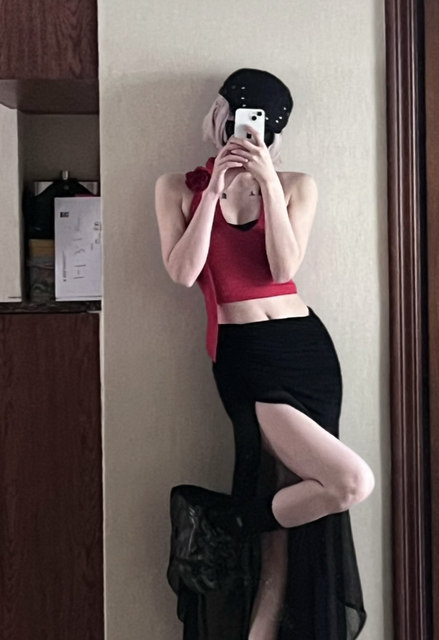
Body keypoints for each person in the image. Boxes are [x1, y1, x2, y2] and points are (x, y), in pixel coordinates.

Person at [155, 68, 374, 640]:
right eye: (232, 115)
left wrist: (268, 185)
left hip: (307, 352)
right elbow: (183, 272)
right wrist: (213, 190)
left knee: (286, 501)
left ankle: (264, 626)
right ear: (221, 117)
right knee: (349, 482)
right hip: (244, 358)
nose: (239, 127)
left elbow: (282, 268)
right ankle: (228, 520)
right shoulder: (177, 187)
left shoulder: (298, 185)